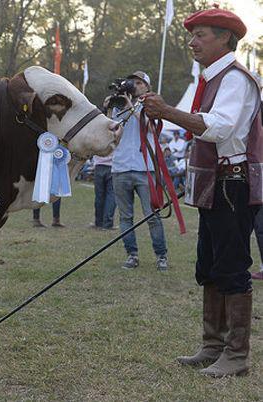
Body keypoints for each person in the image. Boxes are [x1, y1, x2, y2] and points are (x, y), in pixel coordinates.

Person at [143, 6, 261, 377]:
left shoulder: (236, 79)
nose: (193, 42)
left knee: (231, 267)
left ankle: (236, 355)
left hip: (232, 183)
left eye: (201, 35)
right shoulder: (213, 79)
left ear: (226, 38)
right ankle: (213, 345)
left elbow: (219, 129)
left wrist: (167, 112)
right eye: (192, 35)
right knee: (209, 266)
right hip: (218, 184)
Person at [105, 70, 168, 271]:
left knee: (152, 216)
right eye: (133, 82)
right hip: (121, 167)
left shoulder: (152, 104)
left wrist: (132, 105)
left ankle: (161, 256)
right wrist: (108, 109)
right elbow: (112, 133)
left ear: (147, 87)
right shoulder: (120, 106)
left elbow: (150, 128)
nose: (135, 85)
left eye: (140, 83)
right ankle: (131, 255)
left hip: (144, 168)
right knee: (125, 217)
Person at [92, 154, 116, 230]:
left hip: (99, 165)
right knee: (111, 195)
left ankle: (98, 222)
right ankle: (108, 223)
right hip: (113, 166)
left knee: (99, 196)